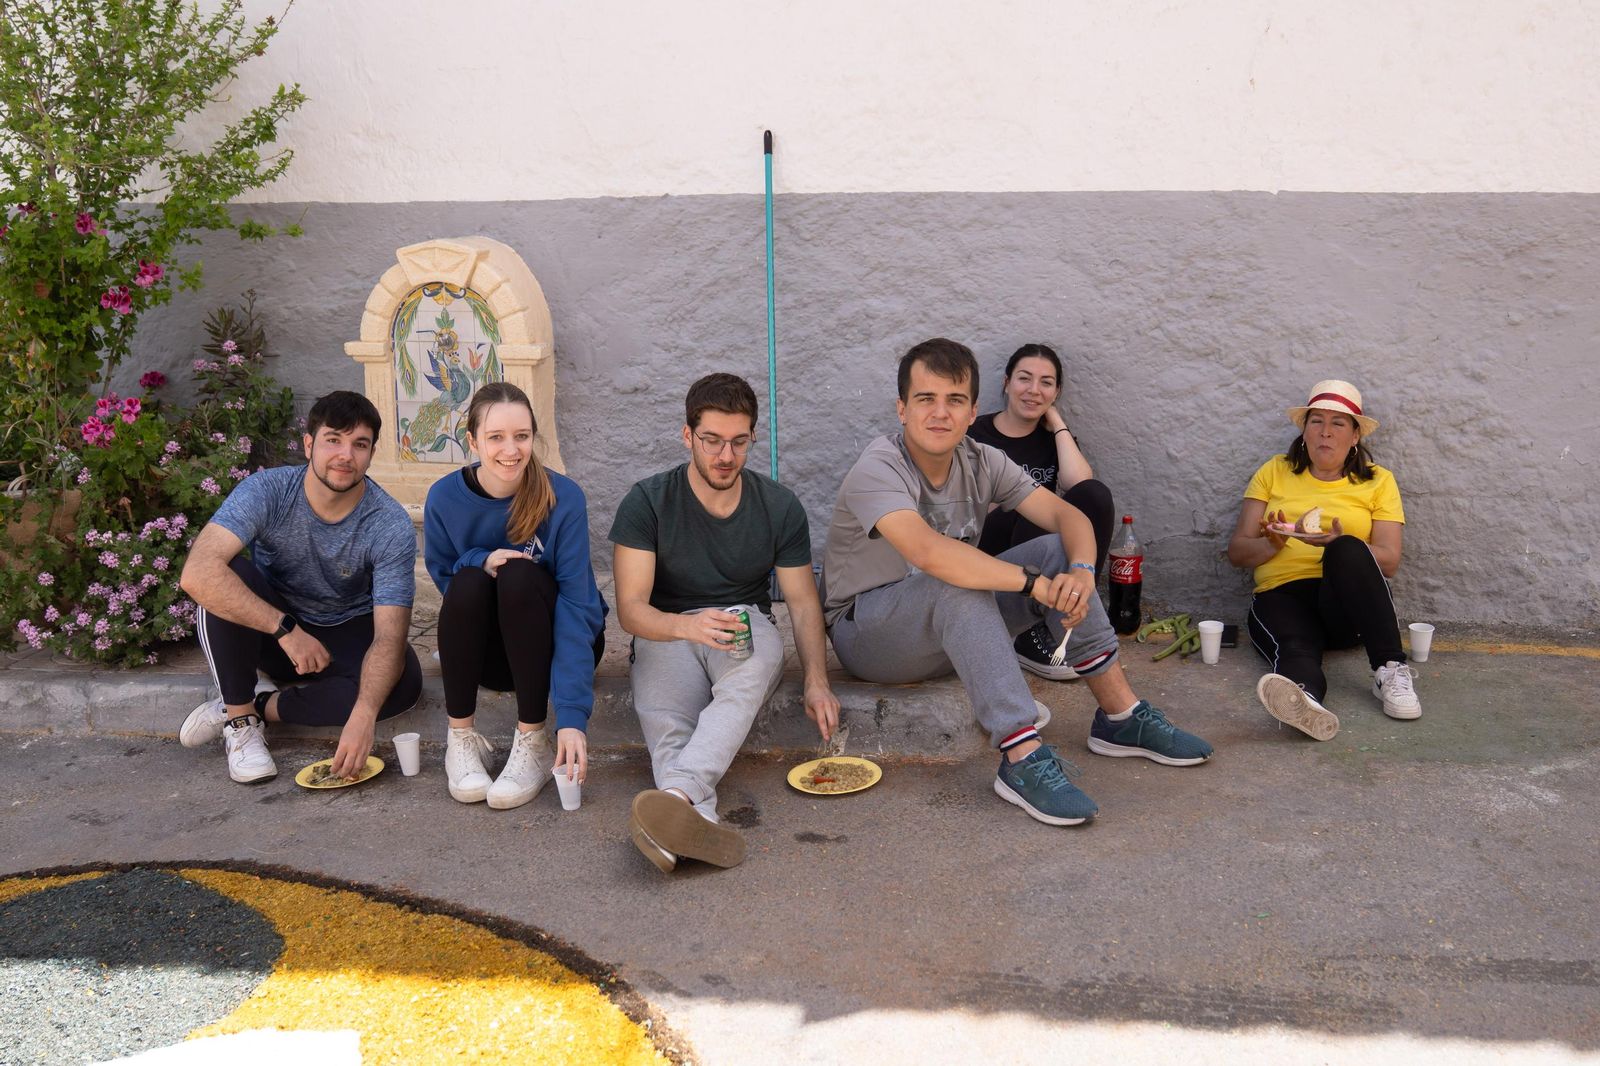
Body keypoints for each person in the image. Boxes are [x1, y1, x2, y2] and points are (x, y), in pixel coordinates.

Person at [822, 339, 1212, 827]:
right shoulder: (878, 465)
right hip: (868, 634)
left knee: (1057, 551)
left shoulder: (982, 459)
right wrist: (1036, 586)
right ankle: (1021, 757)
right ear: (902, 409)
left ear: (972, 413)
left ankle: (1121, 718)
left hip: (949, 628)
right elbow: (929, 554)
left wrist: (1080, 572)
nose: (940, 413)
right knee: (956, 581)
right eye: (925, 399)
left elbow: (1069, 517)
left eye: (955, 400)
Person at [610, 373, 840, 872]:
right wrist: (685, 627)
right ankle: (692, 821)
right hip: (667, 626)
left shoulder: (778, 505)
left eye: (739, 442)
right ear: (687, 435)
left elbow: (803, 603)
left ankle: (675, 800)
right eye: (711, 440)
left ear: (753, 437)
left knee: (745, 681)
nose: (725, 455)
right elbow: (631, 609)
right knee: (668, 724)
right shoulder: (648, 501)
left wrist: (817, 681)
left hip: (743, 621)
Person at [179, 391, 423, 783]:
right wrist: (285, 630)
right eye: (333, 440)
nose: (345, 455)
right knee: (225, 573)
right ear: (308, 444)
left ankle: (260, 705)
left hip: (343, 630)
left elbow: (389, 637)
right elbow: (196, 573)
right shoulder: (268, 490)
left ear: (371, 454)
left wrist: (363, 715)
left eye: (359, 444)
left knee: (402, 681)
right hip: (273, 633)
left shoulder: (388, 523)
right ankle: (240, 722)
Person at [423, 382, 607, 809]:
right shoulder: (444, 498)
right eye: (496, 437)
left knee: (519, 576)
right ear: (472, 441)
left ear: (533, 437)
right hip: (492, 657)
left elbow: (577, 606)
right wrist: (479, 559)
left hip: (551, 646)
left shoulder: (563, 498)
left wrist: (572, 715)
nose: (511, 450)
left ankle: (533, 740)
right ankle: (461, 738)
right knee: (469, 580)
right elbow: (449, 585)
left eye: (521, 436)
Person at [1226, 379, 1420, 738]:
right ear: (1304, 431)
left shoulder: (1378, 481)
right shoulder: (1274, 471)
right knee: (1295, 648)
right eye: (1316, 421)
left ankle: (1390, 669)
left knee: (1346, 548)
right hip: (1282, 595)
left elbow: (1390, 561)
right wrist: (1274, 542)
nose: (1325, 432)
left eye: (1338, 423)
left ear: (1355, 435)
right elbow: (1237, 552)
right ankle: (1306, 703)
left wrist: (1338, 542)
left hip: (1347, 608)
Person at [967, 343, 1116, 681]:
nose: (1034, 390)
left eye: (1046, 383)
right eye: (1024, 378)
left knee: (1094, 496)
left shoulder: (1052, 440)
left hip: (1039, 551)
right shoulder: (976, 434)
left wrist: (1057, 422)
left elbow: (1081, 484)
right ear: (1006, 383)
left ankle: (1073, 609)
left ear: (1056, 392)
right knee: (1030, 505)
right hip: (991, 553)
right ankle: (1028, 633)